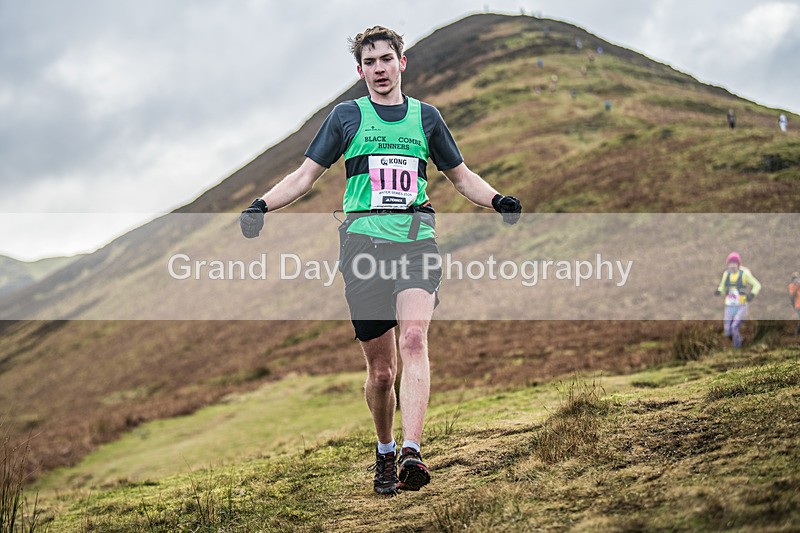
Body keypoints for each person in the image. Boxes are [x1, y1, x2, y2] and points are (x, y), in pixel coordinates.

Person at [239, 26, 522, 495]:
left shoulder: (426, 118)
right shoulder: (346, 117)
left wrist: (497, 200)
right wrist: (260, 206)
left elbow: (461, 176)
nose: (379, 69)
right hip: (363, 250)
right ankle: (386, 449)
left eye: (386, 59)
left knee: (413, 339)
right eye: (369, 62)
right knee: (382, 371)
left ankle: (412, 451)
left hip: (415, 243)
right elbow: (305, 176)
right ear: (360, 70)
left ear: (401, 62)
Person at [714, 252, 761, 348]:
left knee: (734, 327)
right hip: (729, 306)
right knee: (727, 331)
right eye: (730, 263)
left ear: (738, 264)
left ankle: (738, 348)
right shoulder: (726, 274)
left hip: (741, 305)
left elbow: (757, 285)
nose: (732, 266)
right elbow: (722, 288)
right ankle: (741, 341)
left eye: (734, 263)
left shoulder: (744, 274)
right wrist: (719, 291)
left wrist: (751, 295)